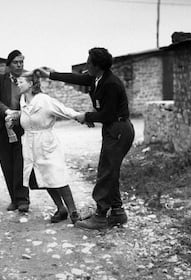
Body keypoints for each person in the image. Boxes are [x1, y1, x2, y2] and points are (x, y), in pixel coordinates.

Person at [38, 47, 135, 230]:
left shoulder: (111, 84)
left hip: (119, 130)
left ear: (97, 66)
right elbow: (75, 78)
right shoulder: (97, 78)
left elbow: (108, 114)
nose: (86, 64)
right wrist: (50, 75)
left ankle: (100, 215)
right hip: (112, 129)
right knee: (110, 171)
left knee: (105, 172)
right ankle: (117, 212)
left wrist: (87, 116)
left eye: (89, 62)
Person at [9, 70, 80, 224]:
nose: (18, 84)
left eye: (21, 82)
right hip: (29, 143)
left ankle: (74, 212)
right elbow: (27, 116)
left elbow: (64, 110)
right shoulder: (22, 100)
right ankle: (61, 208)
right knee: (43, 177)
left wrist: (81, 117)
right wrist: (16, 118)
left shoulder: (44, 100)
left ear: (31, 83)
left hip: (46, 142)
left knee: (57, 175)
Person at [0, 50, 30, 212]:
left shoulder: (27, 80)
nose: (19, 65)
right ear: (9, 65)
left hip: (22, 129)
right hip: (2, 129)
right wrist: (7, 112)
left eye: (21, 62)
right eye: (16, 62)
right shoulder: (0, 79)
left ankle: (23, 200)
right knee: (7, 165)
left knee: (21, 165)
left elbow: (34, 101)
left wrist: (20, 115)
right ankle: (14, 199)